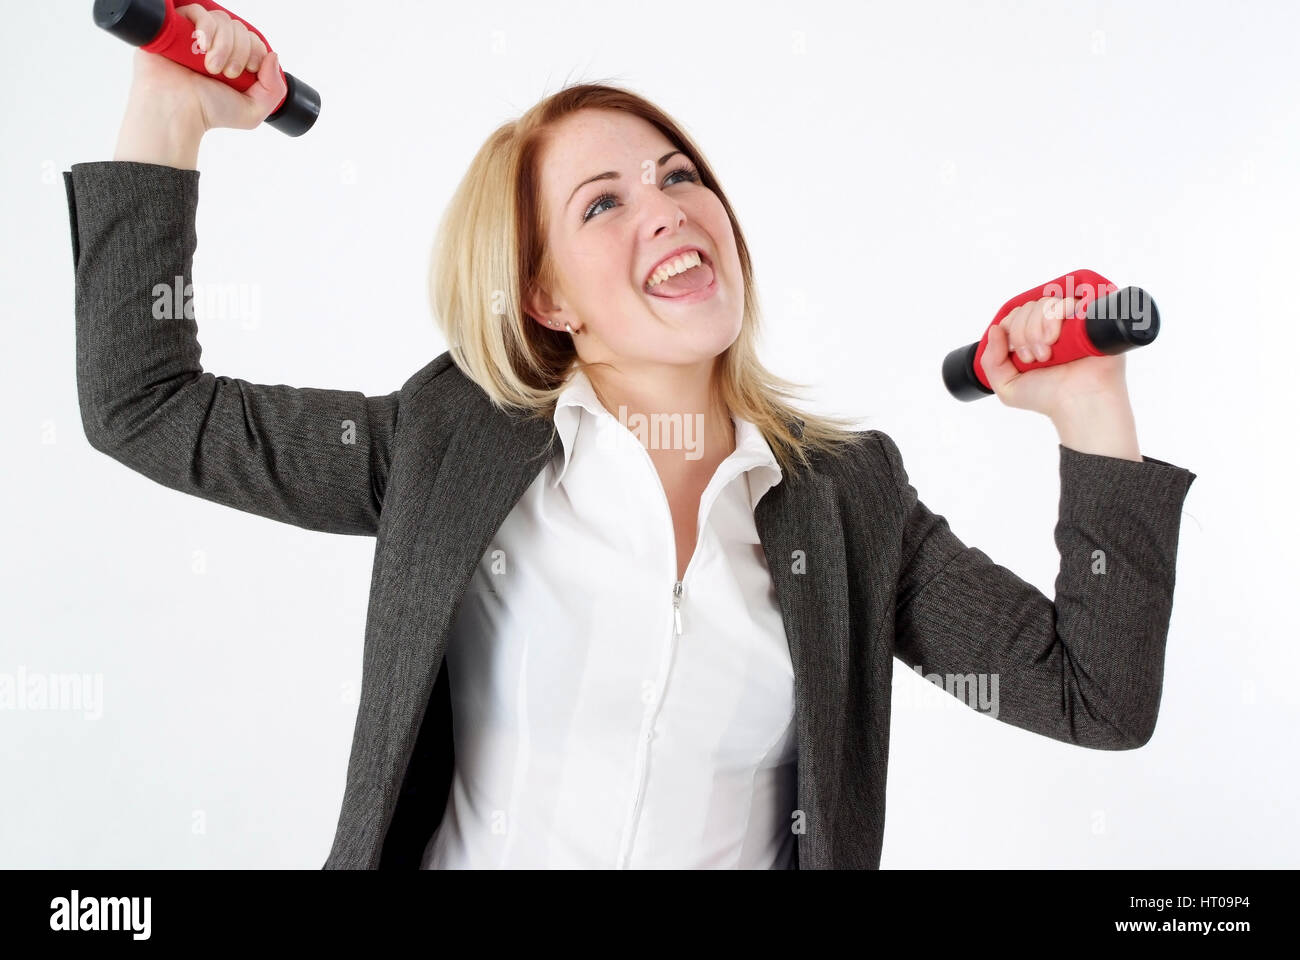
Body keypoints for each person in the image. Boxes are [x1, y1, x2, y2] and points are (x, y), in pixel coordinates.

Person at [64, 5, 1197, 869]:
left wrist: (1090, 410)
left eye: (678, 175)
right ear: (549, 298)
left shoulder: (847, 500)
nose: (666, 205)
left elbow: (1091, 697)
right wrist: (168, 112)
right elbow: (147, 406)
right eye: (600, 203)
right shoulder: (447, 444)